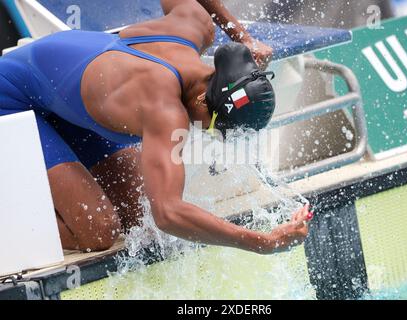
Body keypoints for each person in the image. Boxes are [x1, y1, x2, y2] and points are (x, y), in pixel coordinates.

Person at [0, 0, 312, 253]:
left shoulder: (191, 27)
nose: (210, 134)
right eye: (217, 128)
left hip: (59, 103)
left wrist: (241, 35)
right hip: (10, 99)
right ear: (204, 101)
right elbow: (169, 213)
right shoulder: (163, 110)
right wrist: (263, 242)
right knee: (99, 230)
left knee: (137, 216)